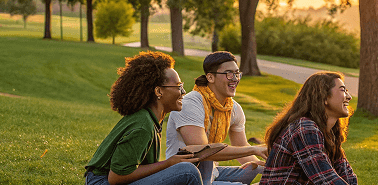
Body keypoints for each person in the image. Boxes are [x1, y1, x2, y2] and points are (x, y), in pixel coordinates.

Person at [84, 51, 202, 185]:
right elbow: (116, 177)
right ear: (159, 91)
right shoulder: (143, 125)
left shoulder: (151, 118)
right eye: (179, 86)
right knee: (187, 171)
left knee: (184, 169)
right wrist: (168, 163)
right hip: (101, 182)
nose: (183, 92)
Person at [166, 51, 268, 185]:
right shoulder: (190, 104)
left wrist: (270, 168)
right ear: (210, 77)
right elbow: (203, 151)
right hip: (184, 176)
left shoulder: (233, 108)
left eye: (237, 73)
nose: (235, 78)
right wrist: (255, 149)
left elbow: (241, 146)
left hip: (211, 172)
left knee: (256, 169)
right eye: (229, 73)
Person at [261, 71, 357, 184]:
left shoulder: (330, 133)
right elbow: (326, 178)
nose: (349, 97)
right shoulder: (304, 129)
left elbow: (348, 176)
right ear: (324, 97)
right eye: (343, 90)